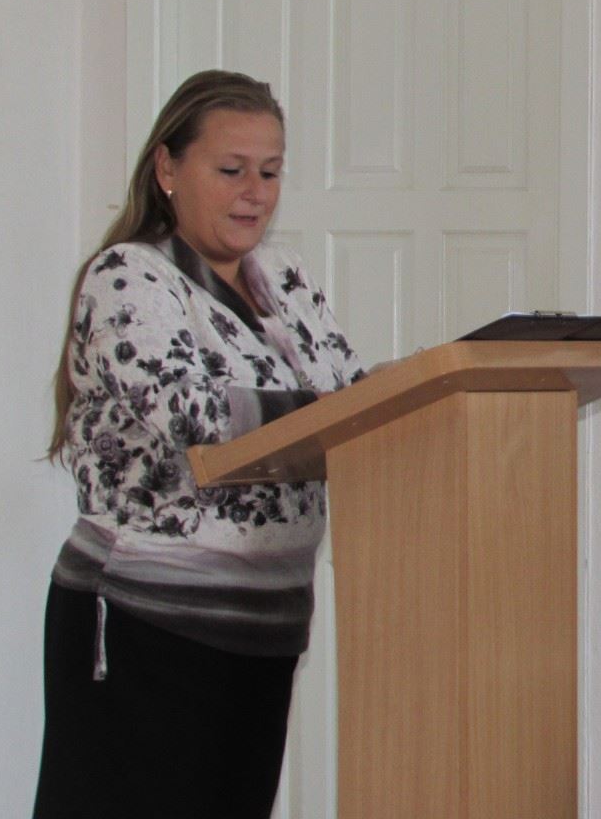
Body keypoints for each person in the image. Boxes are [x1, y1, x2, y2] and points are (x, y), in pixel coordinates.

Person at [32, 70, 364, 819]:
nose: (254, 192)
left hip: (267, 625)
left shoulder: (285, 279)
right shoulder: (129, 276)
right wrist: (334, 411)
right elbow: (195, 416)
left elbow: (351, 395)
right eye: (231, 169)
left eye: (270, 172)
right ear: (168, 168)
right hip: (145, 624)